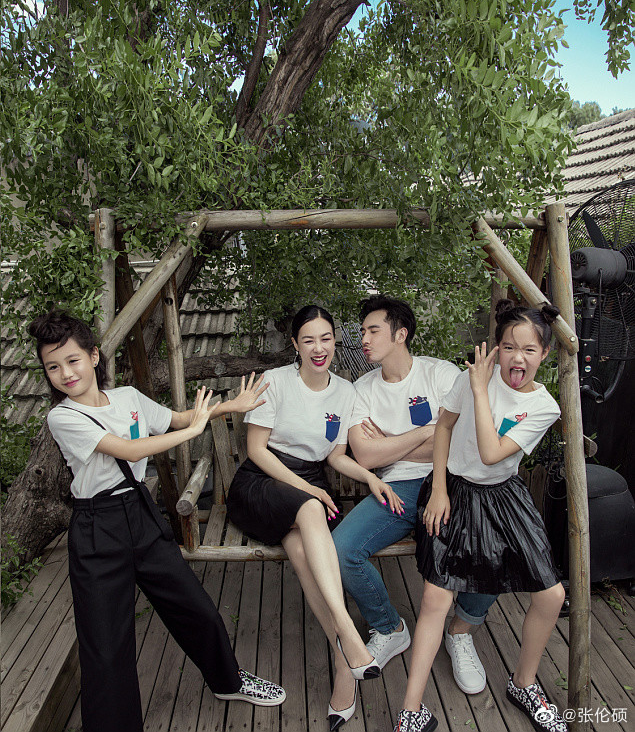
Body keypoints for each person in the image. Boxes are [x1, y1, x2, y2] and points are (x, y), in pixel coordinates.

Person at [29, 310, 286, 732]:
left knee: (195, 608)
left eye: (72, 360)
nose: (65, 373)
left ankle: (229, 681)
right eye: (53, 367)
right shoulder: (64, 417)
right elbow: (130, 450)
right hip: (97, 529)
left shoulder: (128, 397)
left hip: (140, 512)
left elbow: (179, 419)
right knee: (106, 647)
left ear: (93, 356)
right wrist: (194, 431)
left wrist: (228, 407)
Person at [226, 304, 403, 731]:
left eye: (325, 338)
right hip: (261, 483)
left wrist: (369, 477)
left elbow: (336, 456)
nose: (318, 348)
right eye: (308, 340)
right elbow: (256, 451)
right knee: (309, 508)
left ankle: (344, 663)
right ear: (295, 345)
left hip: (307, 485)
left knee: (305, 555)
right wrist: (308, 491)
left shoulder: (345, 392)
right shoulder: (276, 382)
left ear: (335, 341)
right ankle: (349, 631)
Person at [394, 300, 566, 732]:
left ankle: (524, 683)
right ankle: (411, 711)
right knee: (435, 598)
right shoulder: (468, 376)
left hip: (503, 495)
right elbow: (444, 427)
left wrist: (480, 391)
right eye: (509, 347)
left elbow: (491, 454)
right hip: (454, 488)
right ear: (498, 347)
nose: (517, 358)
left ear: (544, 354)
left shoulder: (543, 406)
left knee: (552, 595)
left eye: (529, 349)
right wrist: (437, 489)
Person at [333, 295, 497, 698]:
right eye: (363, 331)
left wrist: (392, 443)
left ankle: (461, 630)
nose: (364, 339)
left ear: (400, 334)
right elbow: (366, 456)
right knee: (341, 549)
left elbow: (465, 441)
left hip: (450, 481)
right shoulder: (360, 390)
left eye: (373, 330)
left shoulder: (440, 375)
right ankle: (389, 627)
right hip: (397, 489)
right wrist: (430, 432)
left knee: (493, 544)